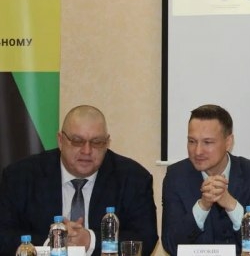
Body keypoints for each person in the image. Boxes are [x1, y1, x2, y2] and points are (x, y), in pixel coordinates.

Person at [0, 105, 158, 256]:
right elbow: (4, 235)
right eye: (77, 141)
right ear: (60, 140)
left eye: (96, 142)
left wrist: (90, 241)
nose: (87, 151)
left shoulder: (133, 178)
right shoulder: (20, 176)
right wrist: (54, 242)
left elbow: (145, 238)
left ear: (107, 143)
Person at [162, 104, 250, 256]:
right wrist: (202, 206)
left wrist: (231, 205)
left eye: (207, 142)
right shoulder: (176, 177)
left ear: (228, 142)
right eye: (192, 141)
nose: (197, 151)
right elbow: (171, 245)